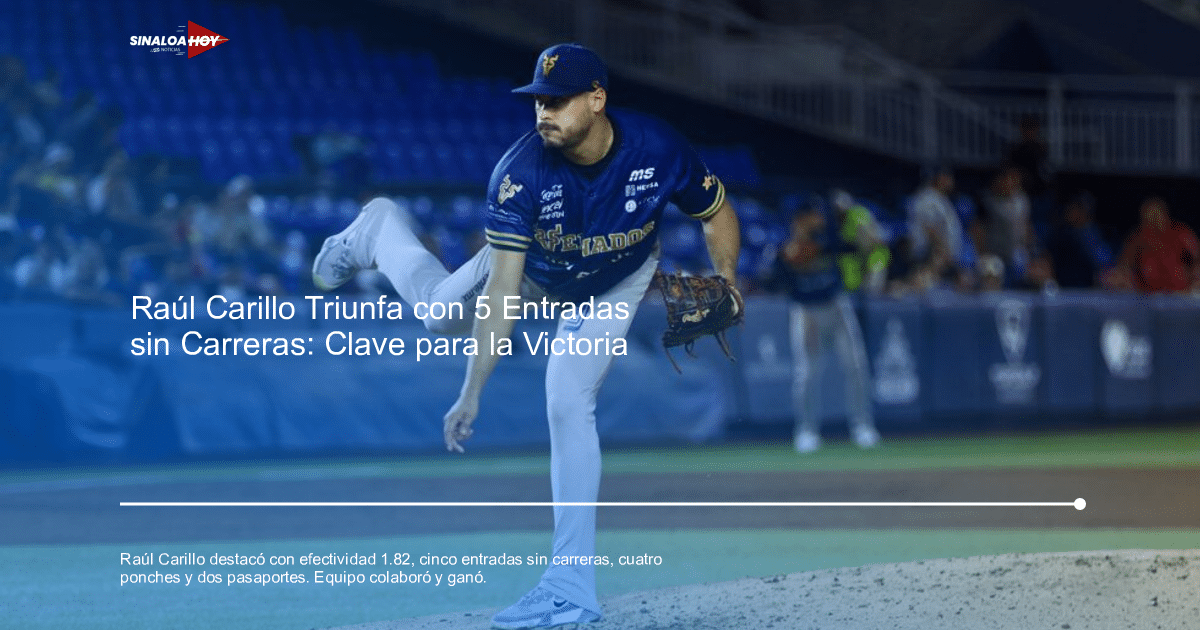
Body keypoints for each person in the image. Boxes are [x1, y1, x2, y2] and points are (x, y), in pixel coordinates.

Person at [312, 43, 740, 628]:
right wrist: (472, 391)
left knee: (568, 400)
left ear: (597, 99)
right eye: (538, 101)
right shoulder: (520, 174)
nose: (544, 112)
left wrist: (728, 281)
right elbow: (502, 296)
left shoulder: (657, 147)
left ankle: (569, 588)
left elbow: (715, 212)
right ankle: (380, 228)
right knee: (438, 315)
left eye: (557, 101)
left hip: (617, 279)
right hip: (534, 275)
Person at [766, 196, 878, 454]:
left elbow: (861, 247)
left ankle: (863, 426)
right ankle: (806, 431)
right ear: (799, 219)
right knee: (807, 373)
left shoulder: (828, 237)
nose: (818, 218)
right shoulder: (783, 245)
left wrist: (857, 221)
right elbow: (772, 279)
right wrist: (791, 259)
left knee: (856, 365)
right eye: (812, 214)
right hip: (806, 311)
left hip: (836, 305)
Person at [1111, 197, 1199, 294]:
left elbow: (1197, 255)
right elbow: (1124, 264)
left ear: (1164, 214)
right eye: (1149, 215)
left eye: (1156, 214)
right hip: (1149, 294)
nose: (1153, 219)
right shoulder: (1137, 238)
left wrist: (1195, 279)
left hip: (1179, 292)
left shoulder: (1180, 232)